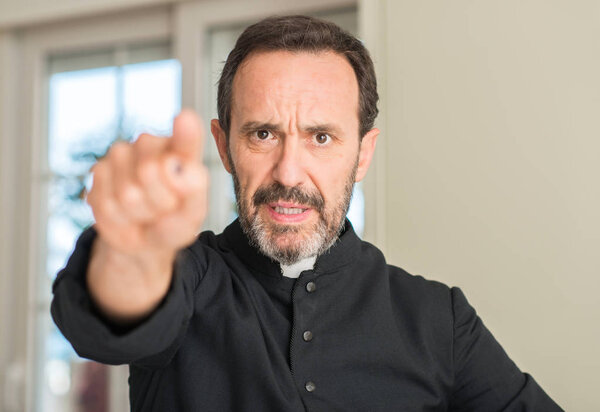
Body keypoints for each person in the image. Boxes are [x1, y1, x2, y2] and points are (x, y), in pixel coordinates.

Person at [51, 15, 562, 411]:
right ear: (224, 146)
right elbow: (113, 314)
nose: (289, 172)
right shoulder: (186, 276)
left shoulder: (438, 319)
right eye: (263, 134)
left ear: (362, 153)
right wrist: (133, 254)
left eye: (321, 137)